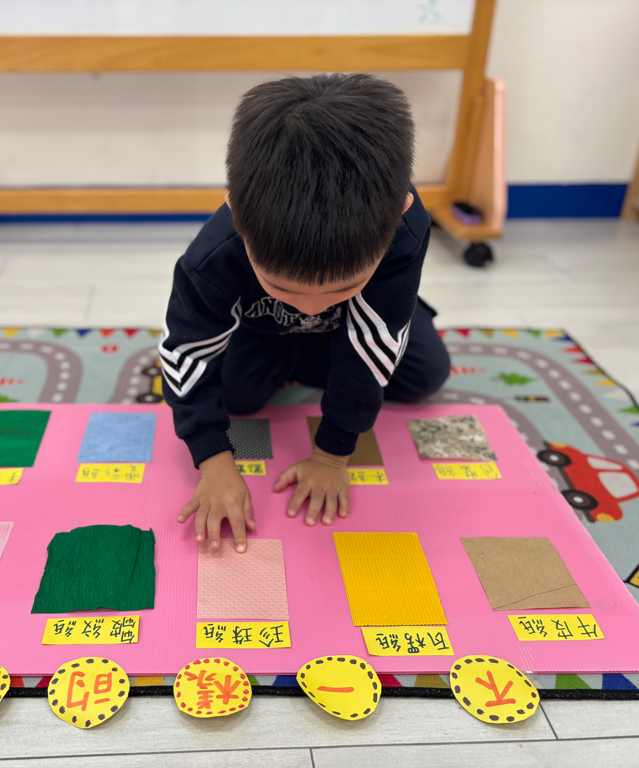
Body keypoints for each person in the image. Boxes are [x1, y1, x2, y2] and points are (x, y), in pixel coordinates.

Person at [159, 73, 450, 554]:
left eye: (343, 287)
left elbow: (374, 342)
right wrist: (214, 461)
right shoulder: (213, 255)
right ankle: (317, 352)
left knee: (426, 373)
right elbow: (187, 351)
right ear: (235, 212)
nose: (311, 306)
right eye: (283, 286)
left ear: (400, 212)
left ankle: (329, 345)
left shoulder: (405, 228)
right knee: (231, 396)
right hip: (263, 329)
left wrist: (333, 456)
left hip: (365, 320)